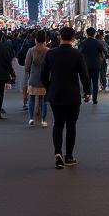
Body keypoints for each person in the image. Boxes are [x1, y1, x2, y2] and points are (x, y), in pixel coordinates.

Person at [41, 26, 91, 168]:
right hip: (72, 94)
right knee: (71, 126)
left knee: (58, 124)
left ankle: (58, 153)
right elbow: (84, 76)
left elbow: (43, 74)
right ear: (73, 38)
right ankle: (69, 156)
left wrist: (49, 87)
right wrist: (87, 91)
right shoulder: (77, 54)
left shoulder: (51, 54)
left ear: (59, 37)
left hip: (55, 93)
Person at [24, 30, 50, 126]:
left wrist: (28, 73)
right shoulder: (48, 51)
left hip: (33, 77)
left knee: (31, 98)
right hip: (45, 78)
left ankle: (31, 118)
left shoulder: (31, 50)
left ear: (35, 40)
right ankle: (43, 120)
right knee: (44, 100)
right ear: (45, 40)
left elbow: (27, 66)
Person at [78, 28, 104, 105]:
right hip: (96, 64)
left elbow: (79, 52)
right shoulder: (97, 43)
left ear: (87, 33)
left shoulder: (83, 43)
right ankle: (95, 99)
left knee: (87, 81)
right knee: (95, 82)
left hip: (86, 65)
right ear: (94, 34)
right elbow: (102, 52)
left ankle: (87, 95)